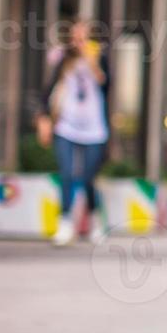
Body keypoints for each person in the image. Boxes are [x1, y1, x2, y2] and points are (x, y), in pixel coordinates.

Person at [37, 20, 110, 246]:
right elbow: (49, 89)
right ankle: (65, 223)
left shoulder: (99, 58)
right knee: (67, 174)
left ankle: (95, 220)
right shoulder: (62, 60)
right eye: (75, 35)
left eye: (83, 35)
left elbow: (105, 85)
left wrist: (90, 57)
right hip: (66, 126)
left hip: (94, 129)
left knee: (87, 177)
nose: (78, 40)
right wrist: (44, 118)